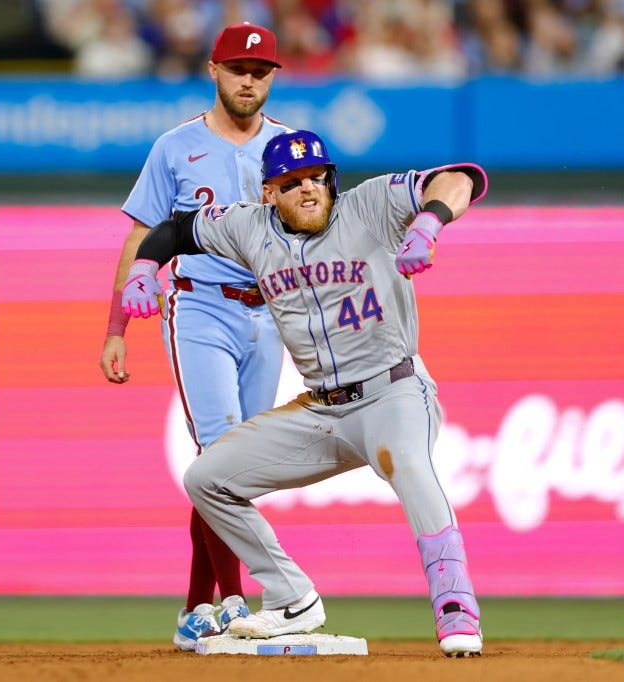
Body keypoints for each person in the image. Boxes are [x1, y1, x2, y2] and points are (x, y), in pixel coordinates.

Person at [119, 130, 488, 657]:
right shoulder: (249, 227)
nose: (309, 189)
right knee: (206, 477)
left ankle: (455, 605)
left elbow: (462, 178)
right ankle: (291, 597)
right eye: (292, 183)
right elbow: (176, 229)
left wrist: (430, 220)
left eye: (317, 177)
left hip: (393, 393)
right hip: (320, 411)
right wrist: (143, 268)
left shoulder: (370, 206)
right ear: (269, 192)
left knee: (408, 461)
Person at [99, 22, 291, 652]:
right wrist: (118, 325)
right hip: (200, 309)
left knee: (236, 469)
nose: (249, 79)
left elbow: (316, 231)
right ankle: (235, 602)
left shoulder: (291, 149)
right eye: (238, 68)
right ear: (214, 70)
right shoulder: (176, 147)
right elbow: (138, 236)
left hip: (268, 317)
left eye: (260, 71)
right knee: (219, 454)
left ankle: (192, 611)